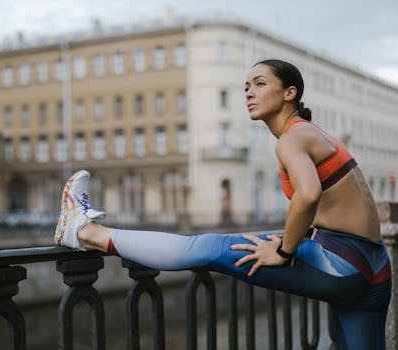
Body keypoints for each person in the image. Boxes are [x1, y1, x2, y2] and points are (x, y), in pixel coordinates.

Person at [54, 59, 391, 350]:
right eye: (246, 86)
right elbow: (334, 208)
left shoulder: (293, 137)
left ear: (290, 93)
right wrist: (297, 241)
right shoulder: (312, 134)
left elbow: (308, 194)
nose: (248, 92)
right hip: (375, 268)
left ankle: (85, 232)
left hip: (343, 263)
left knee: (206, 246)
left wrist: (286, 251)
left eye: (260, 84)